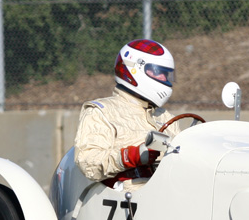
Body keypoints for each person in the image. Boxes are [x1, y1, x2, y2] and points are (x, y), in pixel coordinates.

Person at [73, 39, 183, 190]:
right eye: (158, 72)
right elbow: (88, 162)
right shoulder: (101, 112)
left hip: (171, 192)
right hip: (129, 201)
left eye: (167, 75)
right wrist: (131, 156)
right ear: (134, 70)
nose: (164, 79)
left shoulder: (166, 117)